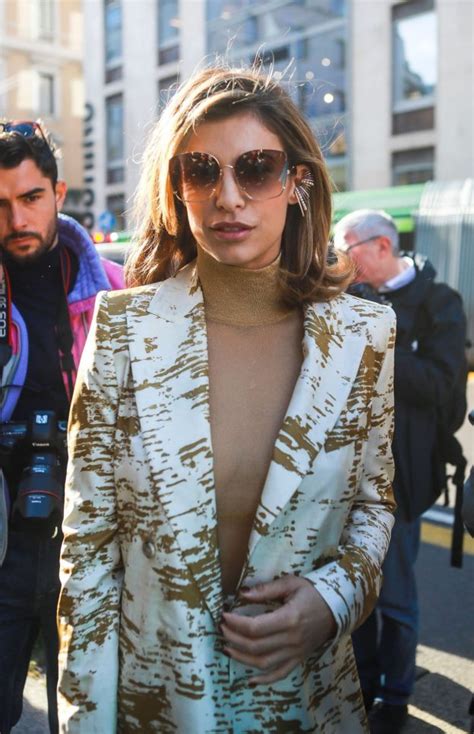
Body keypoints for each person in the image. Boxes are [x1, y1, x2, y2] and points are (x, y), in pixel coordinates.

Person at [57, 66, 396, 733]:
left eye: (257, 168)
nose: (228, 195)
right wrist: (83, 721)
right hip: (156, 708)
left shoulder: (365, 337)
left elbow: (374, 508)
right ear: (176, 187)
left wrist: (333, 601)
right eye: (202, 170)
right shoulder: (123, 328)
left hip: (304, 703)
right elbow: (87, 552)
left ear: (296, 184)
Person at [0, 121, 124, 734]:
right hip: (1, 538)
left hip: (92, 543)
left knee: (85, 718)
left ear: (59, 191)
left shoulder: (119, 292)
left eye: (30, 198)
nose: (16, 219)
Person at [333, 209, 467, 733]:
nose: (342, 260)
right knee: (357, 594)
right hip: (346, 476)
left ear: (382, 245)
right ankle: (363, 685)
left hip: (405, 479)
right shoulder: (348, 299)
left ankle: (397, 697)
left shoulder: (440, 303)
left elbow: (443, 389)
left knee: (397, 598)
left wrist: (381, 342)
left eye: (349, 248)